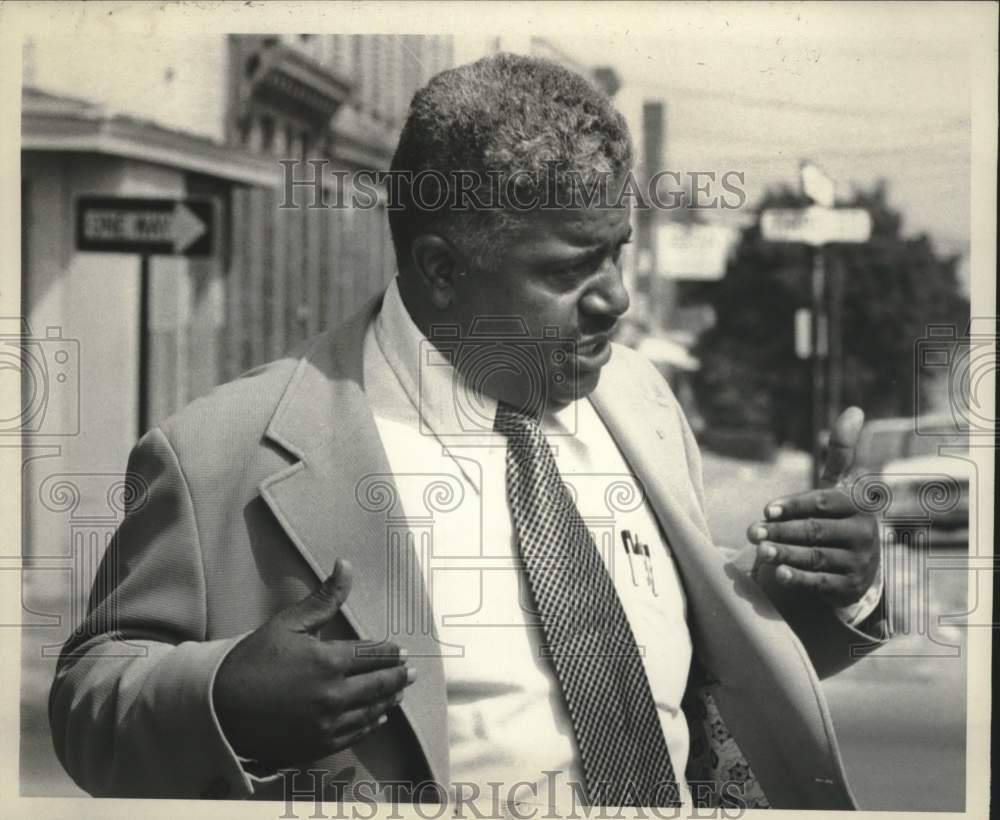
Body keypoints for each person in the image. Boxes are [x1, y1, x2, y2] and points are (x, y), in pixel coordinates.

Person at [49, 53, 889, 810]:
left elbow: (687, 679)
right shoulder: (218, 453)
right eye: (568, 269)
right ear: (442, 269)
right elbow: (90, 704)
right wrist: (225, 696)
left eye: (617, 253)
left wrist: (820, 586)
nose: (616, 298)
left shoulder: (642, 400)